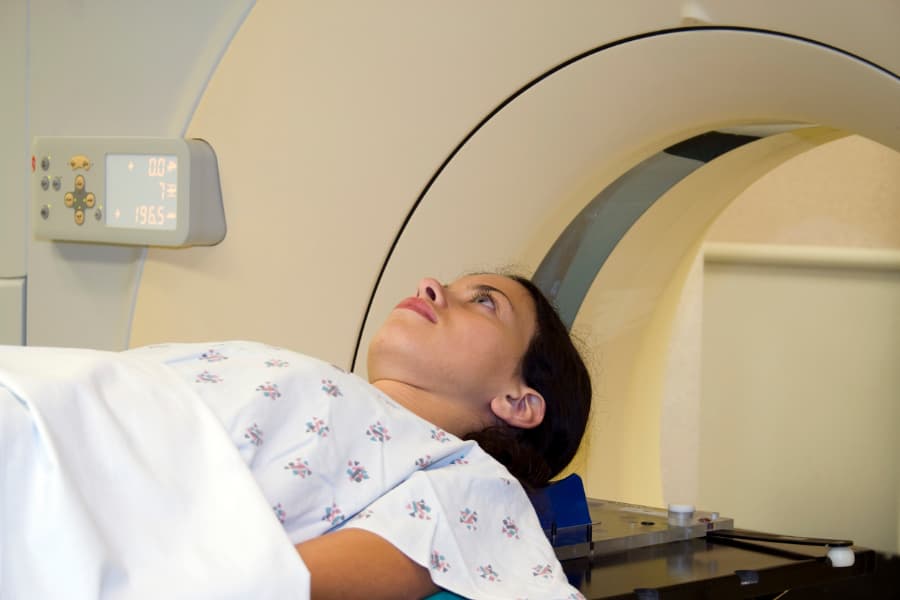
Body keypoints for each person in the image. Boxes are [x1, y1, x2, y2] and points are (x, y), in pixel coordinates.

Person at [296, 273, 592, 599]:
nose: (427, 285)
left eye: (484, 301)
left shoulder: (467, 492)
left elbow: (272, 583)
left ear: (517, 402)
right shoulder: (333, 401)